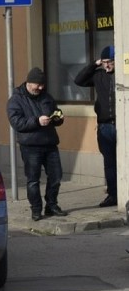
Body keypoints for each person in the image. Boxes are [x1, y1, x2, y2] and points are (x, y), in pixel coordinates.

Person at [7, 67, 67, 221]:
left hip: (50, 143)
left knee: (56, 177)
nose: (40, 88)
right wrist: (37, 121)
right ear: (28, 82)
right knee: (33, 180)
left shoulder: (46, 96)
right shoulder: (16, 99)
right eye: (37, 85)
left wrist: (58, 117)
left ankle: (51, 205)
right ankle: (36, 209)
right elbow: (16, 122)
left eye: (42, 85)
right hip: (30, 146)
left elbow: (55, 112)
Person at [74, 45, 117, 207]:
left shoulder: (122, 75)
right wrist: (94, 63)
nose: (107, 65)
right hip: (105, 126)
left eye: (110, 62)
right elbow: (79, 80)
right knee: (110, 162)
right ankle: (113, 195)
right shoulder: (98, 76)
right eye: (104, 62)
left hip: (122, 125)